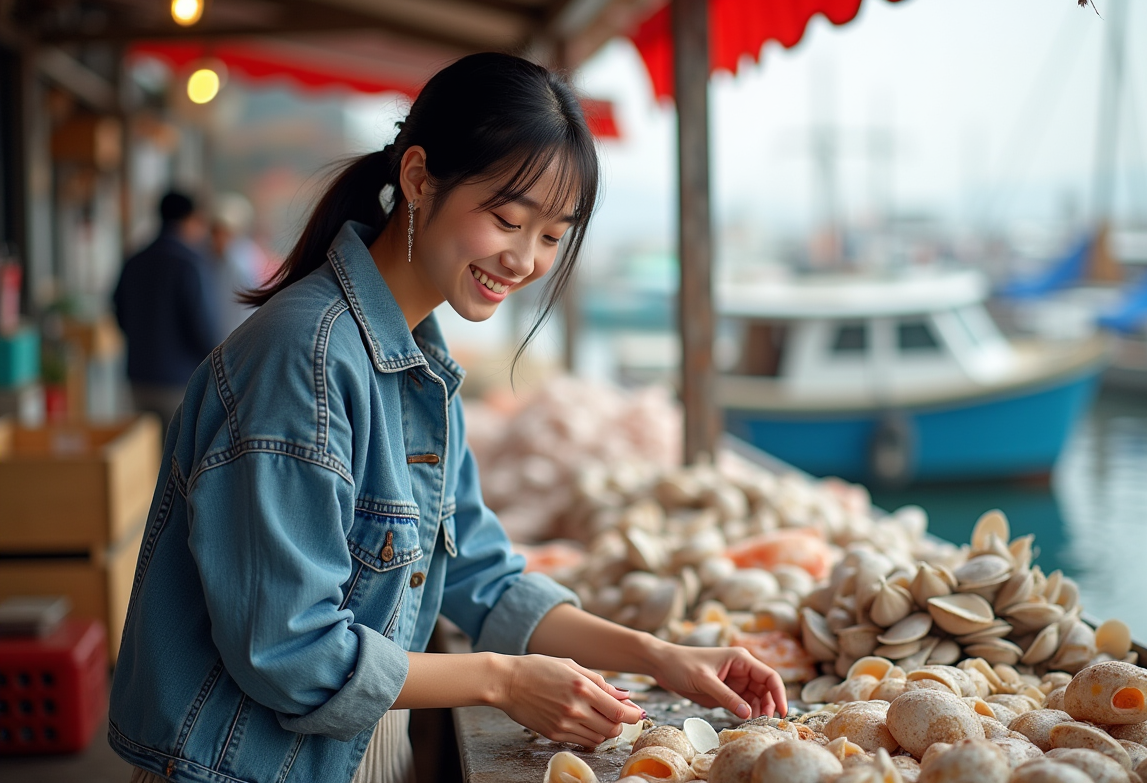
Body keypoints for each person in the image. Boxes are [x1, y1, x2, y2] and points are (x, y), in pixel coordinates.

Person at [108, 53, 787, 783]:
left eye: (553, 236)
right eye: (507, 219)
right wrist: (503, 680)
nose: (526, 260)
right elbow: (291, 650)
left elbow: (484, 580)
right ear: (419, 179)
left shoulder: (419, 364)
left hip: (350, 757)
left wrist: (662, 657)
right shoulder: (303, 362)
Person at [112, 190, 221, 431]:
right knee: (177, 459)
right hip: (179, 381)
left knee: (146, 453)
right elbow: (201, 327)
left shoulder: (135, 259)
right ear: (191, 219)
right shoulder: (189, 264)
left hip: (138, 376)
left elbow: (118, 311)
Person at [210, 192, 271, 339]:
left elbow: (244, 312)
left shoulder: (240, 261)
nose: (213, 238)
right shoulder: (230, 257)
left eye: (218, 232)